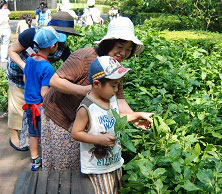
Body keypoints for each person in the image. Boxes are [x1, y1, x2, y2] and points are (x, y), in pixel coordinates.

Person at [41, 16, 146, 171]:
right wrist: (83, 90)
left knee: (79, 162)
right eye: (120, 47)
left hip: (80, 118)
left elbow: (120, 101)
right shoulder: (84, 56)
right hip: (59, 113)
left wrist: (136, 116)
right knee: (63, 166)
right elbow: (55, 81)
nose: (123, 53)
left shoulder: (115, 67)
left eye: (129, 49)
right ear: (109, 43)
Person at [71, 56, 153, 193]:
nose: (116, 89)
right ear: (97, 84)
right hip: (98, 167)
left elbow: (117, 118)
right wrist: (99, 140)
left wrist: (137, 115)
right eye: (114, 85)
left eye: (118, 85)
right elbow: (76, 132)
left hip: (114, 161)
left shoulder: (111, 98)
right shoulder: (86, 108)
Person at [7, 11, 79, 151]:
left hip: (39, 78)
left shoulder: (62, 47)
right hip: (19, 72)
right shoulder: (31, 34)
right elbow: (12, 51)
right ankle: (14, 137)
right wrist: (26, 68)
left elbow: (70, 67)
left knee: (32, 105)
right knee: (18, 104)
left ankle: (32, 137)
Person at [23, 27, 67, 171]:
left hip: (29, 105)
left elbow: (25, 78)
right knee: (46, 133)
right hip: (41, 107)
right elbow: (44, 92)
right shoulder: (47, 67)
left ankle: (35, 160)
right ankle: (49, 159)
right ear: (52, 46)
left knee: (33, 133)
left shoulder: (29, 60)